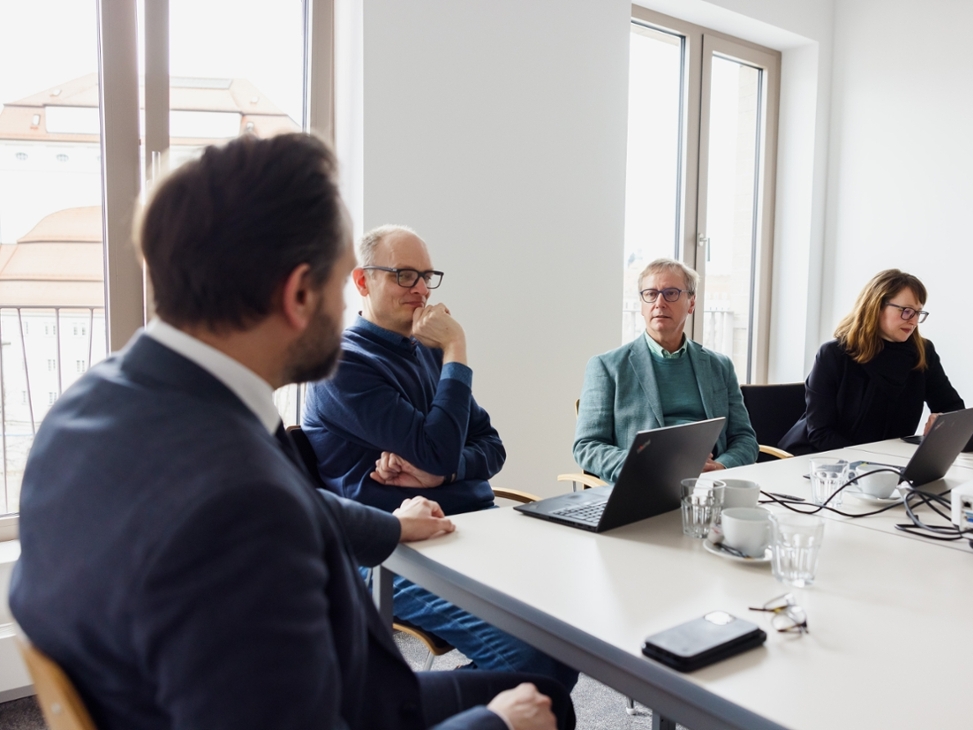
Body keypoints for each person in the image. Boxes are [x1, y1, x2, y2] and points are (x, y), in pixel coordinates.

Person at [8, 134, 574, 730]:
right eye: (337, 285)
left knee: (543, 690)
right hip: (321, 699)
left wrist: (389, 523)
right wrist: (496, 726)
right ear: (301, 294)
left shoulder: (91, 405)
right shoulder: (241, 508)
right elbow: (261, 512)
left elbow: (296, 504)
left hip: (194, 691)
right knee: (535, 702)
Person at [302, 224, 578, 691]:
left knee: (573, 637)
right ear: (363, 281)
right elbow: (435, 447)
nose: (422, 290)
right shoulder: (342, 365)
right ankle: (417, 711)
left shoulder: (425, 354)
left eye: (427, 277)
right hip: (396, 549)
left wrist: (442, 473)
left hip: (475, 528)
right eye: (404, 275)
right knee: (539, 663)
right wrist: (456, 349)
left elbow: (492, 446)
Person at [574, 258, 758, 482]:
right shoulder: (606, 367)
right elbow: (587, 446)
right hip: (644, 486)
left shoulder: (720, 366)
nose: (659, 303)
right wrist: (650, 467)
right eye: (650, 294)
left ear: (691, 303)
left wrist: (721, 467)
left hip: (712, 486)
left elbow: (745, 438)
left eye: (671, 293)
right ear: (642, 305)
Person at [778, 268, 964, 455]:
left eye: (918, 312)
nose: (914, 320)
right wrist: (875, 461)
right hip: (819, 459)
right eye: (906, 311)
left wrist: (943, 421)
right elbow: (820, 434)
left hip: (885, 464)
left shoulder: (923, 352)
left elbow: (953, 407)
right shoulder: (834, 355)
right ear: (876, 306)